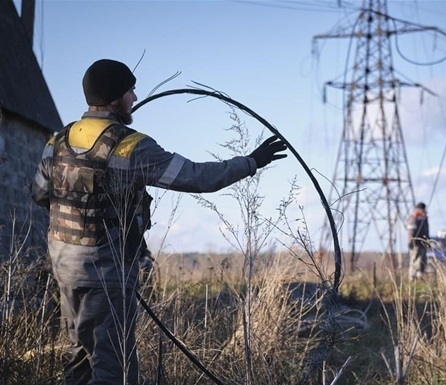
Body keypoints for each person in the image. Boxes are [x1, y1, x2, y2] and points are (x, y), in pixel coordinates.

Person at [30, 58, 287, 385]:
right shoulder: (130, 147)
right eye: (130, 90)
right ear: (114, 98)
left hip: (65, 269)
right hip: (108, 278)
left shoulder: (57, 142)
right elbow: (197, 177)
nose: (135, 97)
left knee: (78, 362)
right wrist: (252, 161)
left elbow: (39, 195)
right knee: (114, 371)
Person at [407, 202, 429, 281]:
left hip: (422, 244)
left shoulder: (423, 218)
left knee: (422, 262)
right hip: (416, 244)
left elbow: (425, 232)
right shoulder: (414, 218)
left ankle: (420, 278)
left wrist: (427, 242)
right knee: (415, 262)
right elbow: (411, 231)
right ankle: (413, 279)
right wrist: (411, 242)